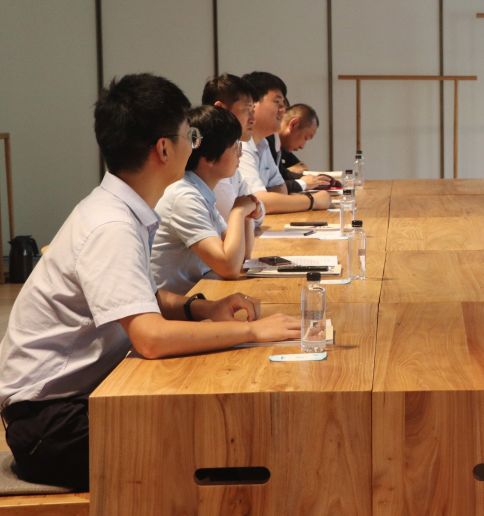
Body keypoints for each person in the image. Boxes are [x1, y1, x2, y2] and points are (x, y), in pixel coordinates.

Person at [0, 74, 299, 490]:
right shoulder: (111, 225)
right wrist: (251, 331)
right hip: (51, 423)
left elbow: (143, 297)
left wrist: (202, 308)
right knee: (219, 449)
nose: (194, 146)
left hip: (70, 403)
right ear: (163, 148)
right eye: (190, 136)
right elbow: (151, 339)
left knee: (226, 435)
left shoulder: (120, 208)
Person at [151, 106, 262, 294]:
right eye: (235, 147)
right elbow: (230, 267)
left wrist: (246, 216)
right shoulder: (184, 197)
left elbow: (242, 256)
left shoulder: (200, 191)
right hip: (178, 305)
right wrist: (238, 212)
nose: (240, 154)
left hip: (199, 295)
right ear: (209, 158)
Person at [239, 72, 331, 214]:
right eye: (277, 103)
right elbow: (258, 201)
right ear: (252, 104)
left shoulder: (263, 144)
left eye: (283, 105)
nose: (283, 110)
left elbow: (280, 188)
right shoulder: (240, 145)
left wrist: (272, 198)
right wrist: (312, 201)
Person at [201, 74, 263, 222]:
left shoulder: (231, 150)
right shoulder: (211, 153)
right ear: (220, 109)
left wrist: (248, 212)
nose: (253, 119)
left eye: (253, 110)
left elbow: (256, 211)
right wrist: (246, 212)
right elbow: (235, 219)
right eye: (246, 110)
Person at [268, 103, 331, 194]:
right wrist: (303, 183)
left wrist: (310, 179)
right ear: (294, 124)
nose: (302, 146)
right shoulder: (265, 141)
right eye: (305, 138)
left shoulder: (277, 144)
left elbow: (283, 173)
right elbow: (269, 186)